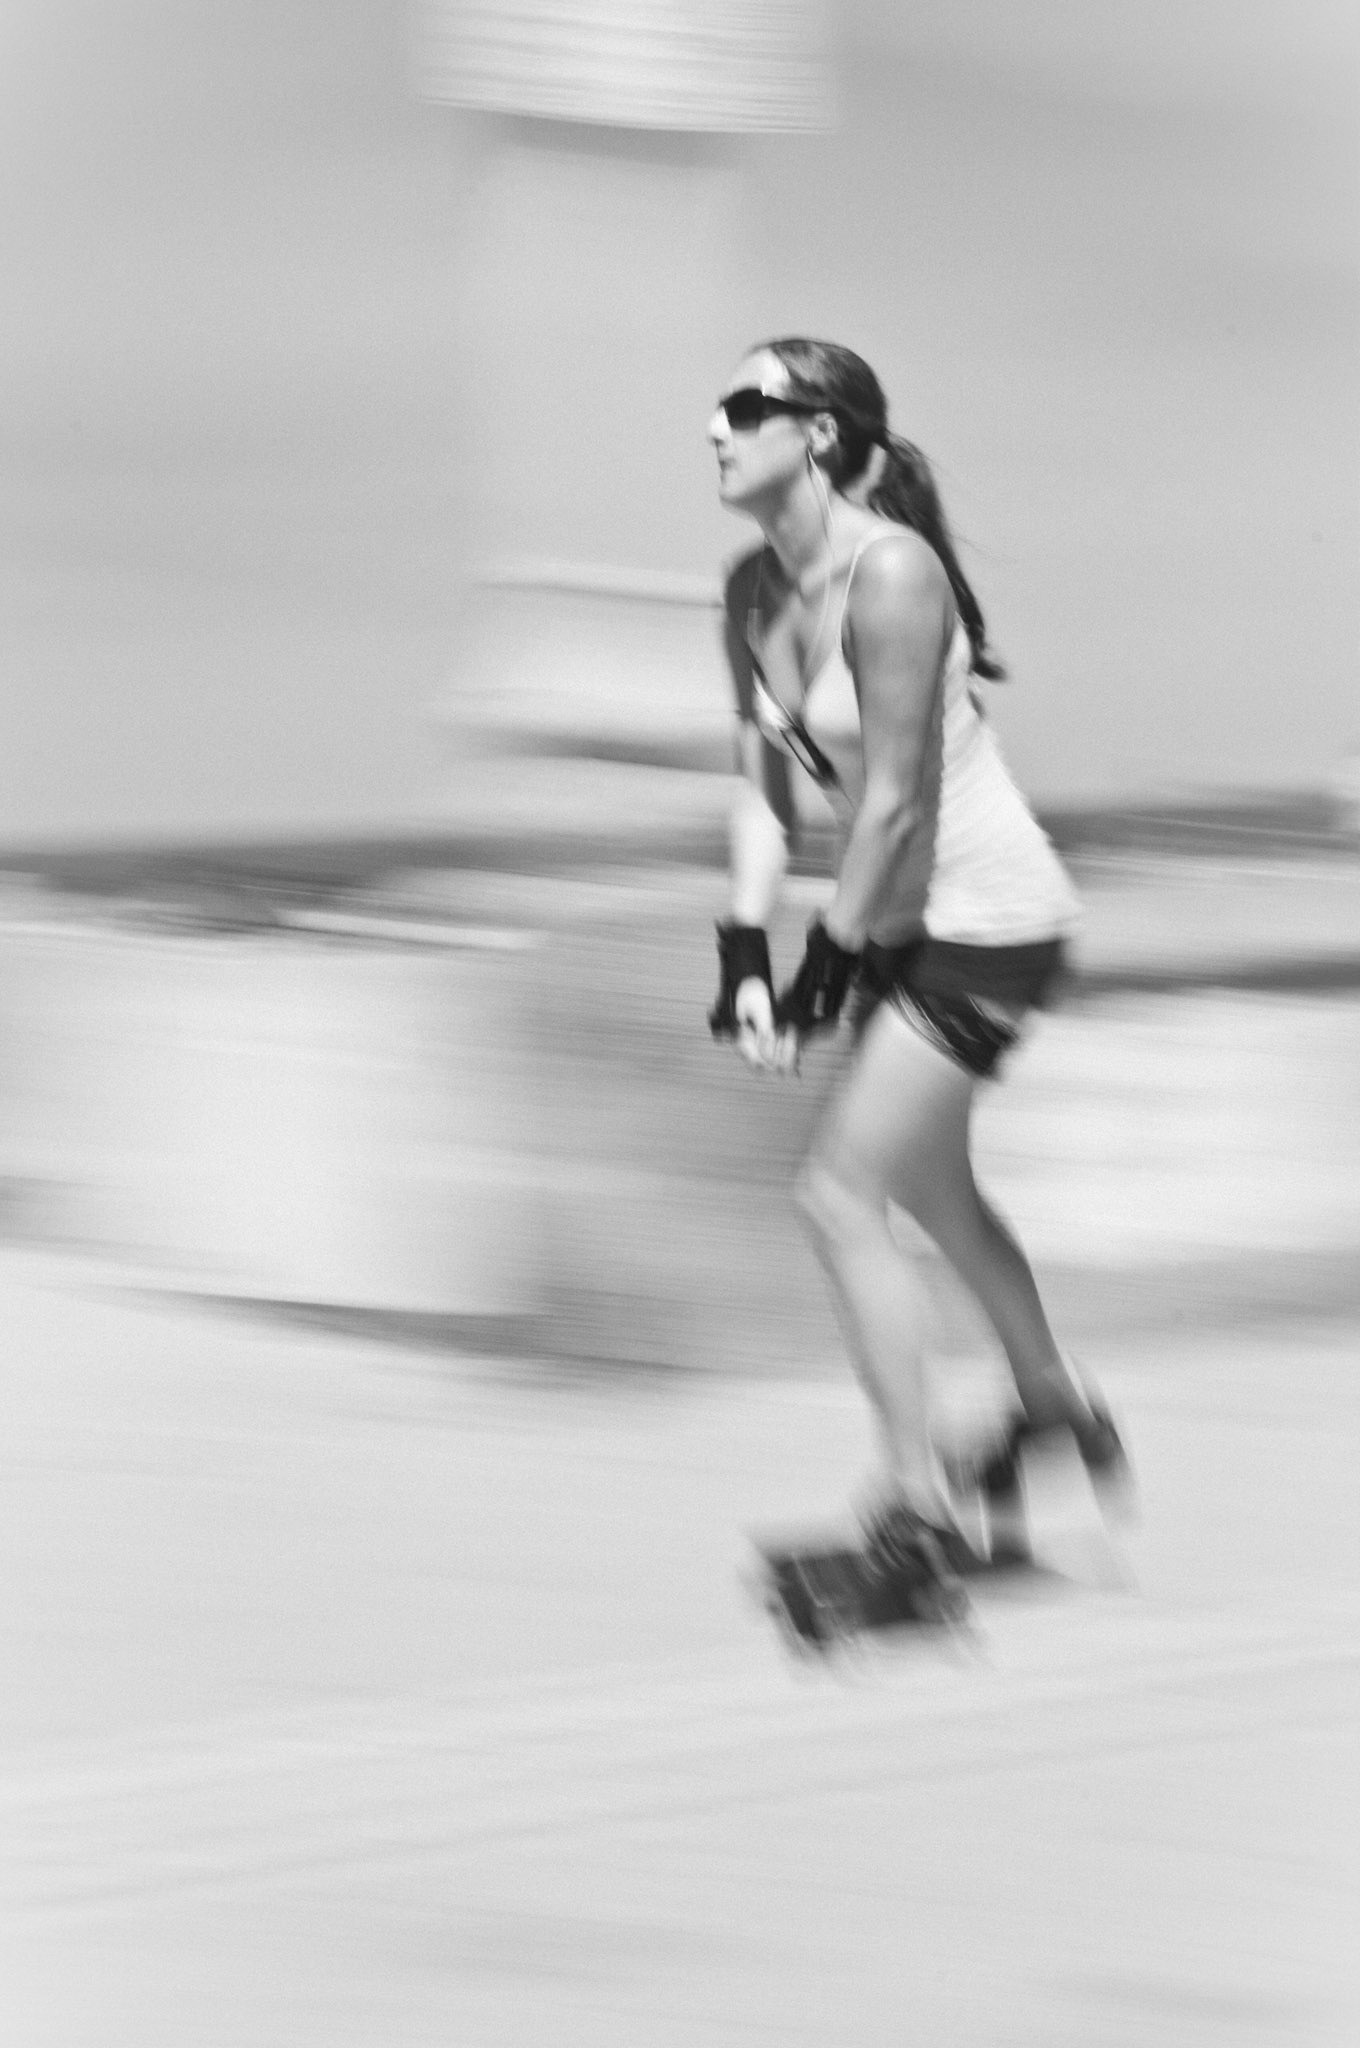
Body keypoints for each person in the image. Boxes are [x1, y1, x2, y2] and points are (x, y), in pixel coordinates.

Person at [706, 337, 1128, 1612]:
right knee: (930, 1189)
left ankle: (914, 1513)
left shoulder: (892, 577)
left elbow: (895, 802)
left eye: (743, 407)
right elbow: (765, 789)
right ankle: (1054, 1411)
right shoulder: (747, 589)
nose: (714, 430)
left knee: (838, 1198)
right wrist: (742, 951)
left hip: (986, 920)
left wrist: (821, 966)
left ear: (819, 434)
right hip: (901, 921)